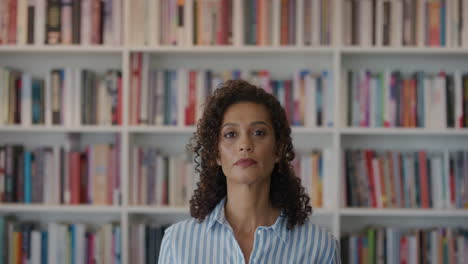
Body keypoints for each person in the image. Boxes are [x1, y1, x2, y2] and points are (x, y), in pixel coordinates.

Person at [158, 80, 340, 263]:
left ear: (278, 149)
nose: (245, 145)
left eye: (258, 133)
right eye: (230, 134)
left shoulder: (320, 246)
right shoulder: (177, 242)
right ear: (216, 154)